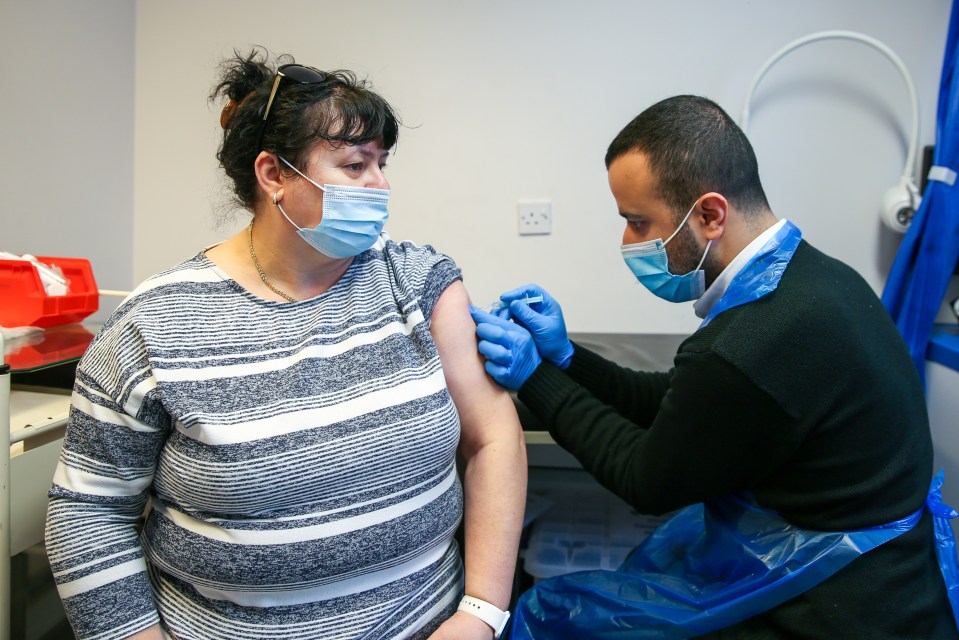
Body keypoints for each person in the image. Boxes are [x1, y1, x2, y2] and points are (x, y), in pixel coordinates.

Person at [45, 48, 526, 640]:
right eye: (355, 166)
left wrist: (480, 614)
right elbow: (89, 509)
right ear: (273, 175)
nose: (380, 184)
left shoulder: (415, 281)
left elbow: (493, 436)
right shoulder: (155, 324)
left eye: (381, 163)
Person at [470, 95, 958, 638]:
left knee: (548, 616)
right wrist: (565, 356)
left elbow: (644, 478)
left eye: (638, 221)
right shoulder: (815, 280)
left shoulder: (750, 339)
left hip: (846, 606)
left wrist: (534, 378)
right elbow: (677, 401)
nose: (628, 242)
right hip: (889, 571)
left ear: (708, 214)